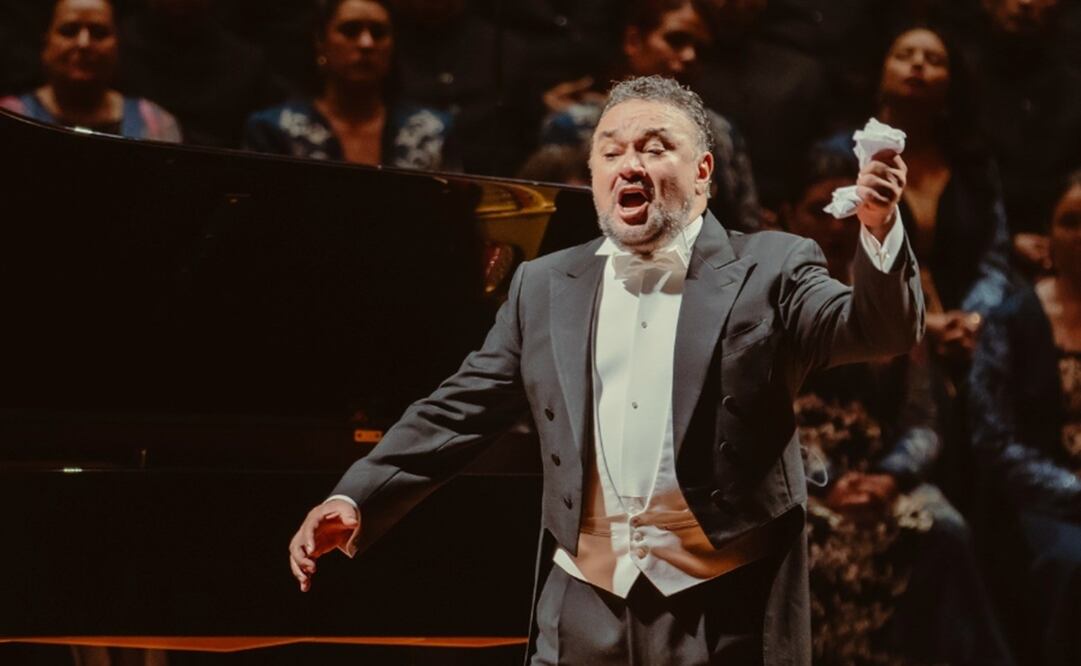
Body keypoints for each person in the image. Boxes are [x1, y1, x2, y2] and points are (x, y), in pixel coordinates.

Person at [288, 75, 922, 665]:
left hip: (724, 612)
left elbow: (879, 329)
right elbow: (460, 408)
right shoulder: (544, 286)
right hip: (583, 608)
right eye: (611, 151)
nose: (630, 164)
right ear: (592, 173)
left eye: (654, 147)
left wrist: (880, 228)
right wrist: (356, 495)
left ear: (703, 172)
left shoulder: (774, 266)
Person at [786, 143, 1015, 666]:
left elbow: (923, 420)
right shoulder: (767, 305)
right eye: (821, 209)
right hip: (801, 479)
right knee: (798, 536)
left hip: (882, 476)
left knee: (947, 529)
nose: (837, 225)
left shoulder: (894, 302)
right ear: (789, 216)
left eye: (850, 208)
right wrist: (832, 480)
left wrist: (889, 476)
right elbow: (759, 423)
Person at [968, 170, 1081, 666]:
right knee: (1073, 564)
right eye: (1072, 221)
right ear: (1047, 236)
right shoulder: (1013, 318)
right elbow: (993, 439)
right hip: (1040, 501)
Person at [535, 0, 763, 232]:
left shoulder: (721, 135)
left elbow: (744, 230)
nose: (690, 56)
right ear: (634, 41)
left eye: (701, 51)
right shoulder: (576, 125)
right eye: (676, 40)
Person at [243, 0, 457, 170]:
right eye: (350, 30)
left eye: (379, 32)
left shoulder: (432, 131)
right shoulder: (272, 130)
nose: (366, 43)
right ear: (321, 43)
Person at [0, 0, 181, 142]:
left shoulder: (155, 122)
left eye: (99, 32)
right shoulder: (9, 116)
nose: (84, 43)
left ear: (118, 45)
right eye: (69, 31)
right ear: (46, 42)